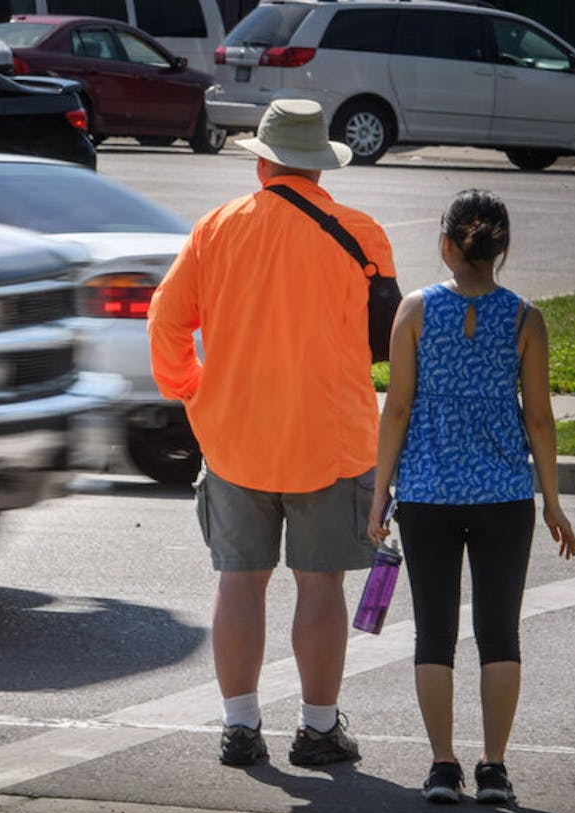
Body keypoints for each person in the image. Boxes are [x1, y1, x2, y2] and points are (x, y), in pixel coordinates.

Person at [147, 98, 395, 768]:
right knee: (320, 586)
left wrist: (191, 388)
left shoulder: (216, 228)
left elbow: (166, 324)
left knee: (240, 581)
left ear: (262, 161)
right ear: (320, 164)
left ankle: (239, 726)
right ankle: (317, 730)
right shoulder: (362, 232)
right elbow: (383, 340)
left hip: (235, 437)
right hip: (331, 437)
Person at [366, 188, 575, 805]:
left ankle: (441, 767)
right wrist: (553, 500)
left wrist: (381, 493)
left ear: (445, 244)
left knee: (433, 632)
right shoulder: (524, 318)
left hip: (428, 492)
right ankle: (494, 769)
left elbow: (397, 407)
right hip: (505, 495)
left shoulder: (414, 311)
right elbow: (539, 419)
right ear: (502, 248)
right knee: (499, 632)